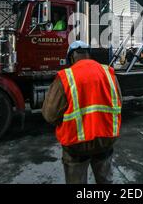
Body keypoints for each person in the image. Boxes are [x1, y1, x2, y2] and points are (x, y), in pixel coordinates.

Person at [42, 41, 122, 184]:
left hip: (76, 145)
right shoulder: (108, 73)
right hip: (105, 140)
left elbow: (50, 115)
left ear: (71, 57)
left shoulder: (66, 77)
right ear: (88, 54)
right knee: (105, 181)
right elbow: (118, 103)